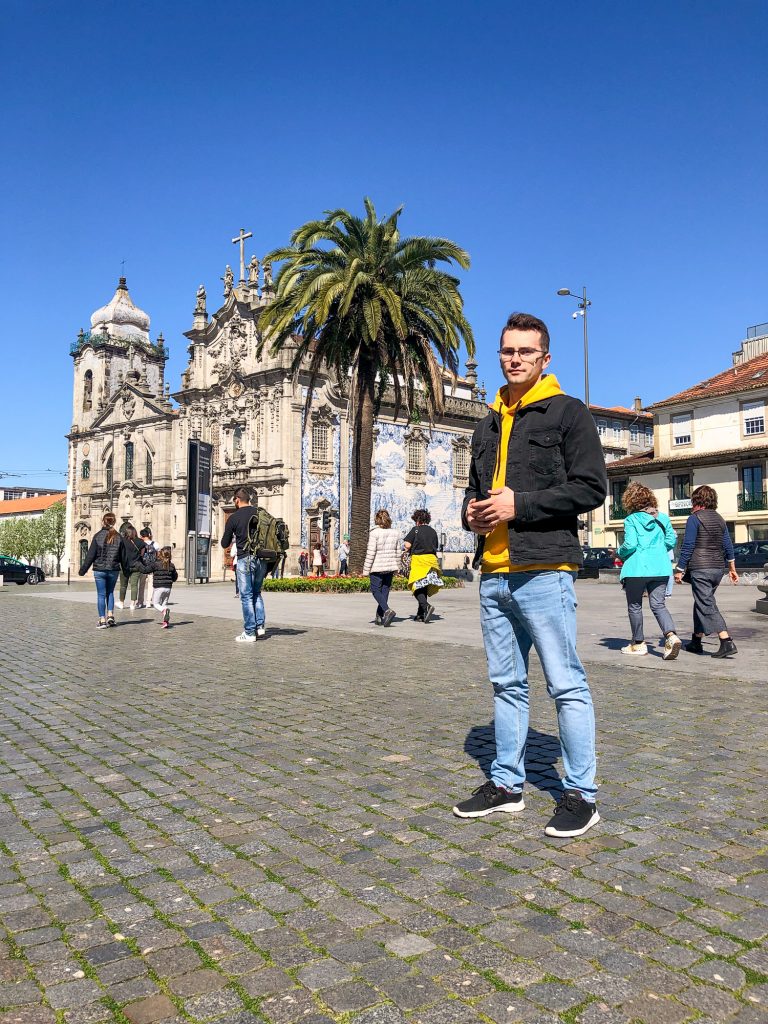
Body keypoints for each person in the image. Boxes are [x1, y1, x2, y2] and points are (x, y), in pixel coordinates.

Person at [454, 311, 607, 838]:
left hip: (544, 569)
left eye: (525, 351)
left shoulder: (568, 413)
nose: (514, 358)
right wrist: (470, 515)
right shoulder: (487, 422)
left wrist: (522, 506)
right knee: (506, 684)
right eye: (507, 350)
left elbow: (591, 489)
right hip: (493, 574)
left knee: (565, 683)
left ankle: (581, 794)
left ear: (544, 359)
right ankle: (506, 783)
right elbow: (476, 494)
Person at [616, 482, 682, 659]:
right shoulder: (663, 518)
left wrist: (619, 552)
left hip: (637, 569)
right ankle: (671, 636)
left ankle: (638, 644)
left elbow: (630, 544)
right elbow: (671, 541)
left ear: (630, 501)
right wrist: (659, 551)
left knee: (635, 606)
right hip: (660, 567)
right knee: (659, 605)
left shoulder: (631, 519)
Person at [674, 485, 739, 657]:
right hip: (717, 569)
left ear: (697, 502)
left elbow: (688, 545)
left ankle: (726, 641)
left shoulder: (694, 519)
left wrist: (679, 568)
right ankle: (696, 641)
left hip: (700, 568)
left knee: (707, 603)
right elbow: (728, 545)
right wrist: (732, 568)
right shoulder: (719, 519)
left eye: (692, 501)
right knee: (701, 602)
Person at [220, 488, 268, 643]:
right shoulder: (260, 513)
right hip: (261, 559)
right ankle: (260, 627)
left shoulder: (234, 517)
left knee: (246, 596)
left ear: (236, 499)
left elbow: (224, 543)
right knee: (257, 593)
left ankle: (249, 632)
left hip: (245, 558)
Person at [78, 511, 127, 628]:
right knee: (110, 592)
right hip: (113, 569)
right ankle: (110, 615)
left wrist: (83, 570)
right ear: (114, 522)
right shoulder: (119, 537)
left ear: (103, 522)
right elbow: (123, 557)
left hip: (99, 570)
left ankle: (102, 620)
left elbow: (90, 555)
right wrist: (126, 570)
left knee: (101, 595)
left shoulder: (97, 536)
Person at [403, 509, 443, 622]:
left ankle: (426, 607)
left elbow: (407, 545)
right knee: (423, 586)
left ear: (418, 520)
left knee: (415, 586)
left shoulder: (415, 530)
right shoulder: (433, 531)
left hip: (419, 561)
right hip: (431, 561)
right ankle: (421, 614)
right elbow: (435, 546)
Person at [363, 510, 401, 626]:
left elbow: (371, 552)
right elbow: (398, 551)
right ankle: (380, 617)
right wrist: (397, 567)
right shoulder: (395, 533)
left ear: (377, 519)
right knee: (385, 590)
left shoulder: (374, 533)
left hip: (377, 567)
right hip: (390, 566)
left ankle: (387, 610)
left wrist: (366, 570)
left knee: (375, 590)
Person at [115, 525, 147, 610]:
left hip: (125, 566)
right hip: (136, 565)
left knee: (123, 585)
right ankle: (132, 604)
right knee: (134, 585)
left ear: (126, 532)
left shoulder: (122, 541)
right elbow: (143, 554)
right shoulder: (140, 541)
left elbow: (119, 553)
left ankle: (121, 603)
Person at [151, 546, 178, 629]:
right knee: (164, 604)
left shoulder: (156, 564)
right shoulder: (172, 565)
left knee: (156, 604)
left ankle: (164, 611)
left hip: (159, 587)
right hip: (168, 588)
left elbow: (146, 569)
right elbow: (175, 577)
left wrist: (138, 565)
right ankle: (165, 622)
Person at [136, 528, 160, 608]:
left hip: (143, 566)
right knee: (151, 585)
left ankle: (140, 602)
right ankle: (149, 602)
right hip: (152, 567)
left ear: (142, 536)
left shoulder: (140, 543)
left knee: (141, 585)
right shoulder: (155, 544)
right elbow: (158, 555)